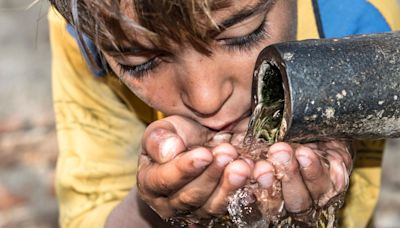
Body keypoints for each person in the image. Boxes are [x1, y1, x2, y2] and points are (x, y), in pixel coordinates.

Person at [47, 0, 400, 227]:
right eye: (141, 62)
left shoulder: (373, 17)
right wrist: (154, 206)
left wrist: (343, 136)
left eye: (242, 34)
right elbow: (90, 212)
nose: (206, 100)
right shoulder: (94, 22)